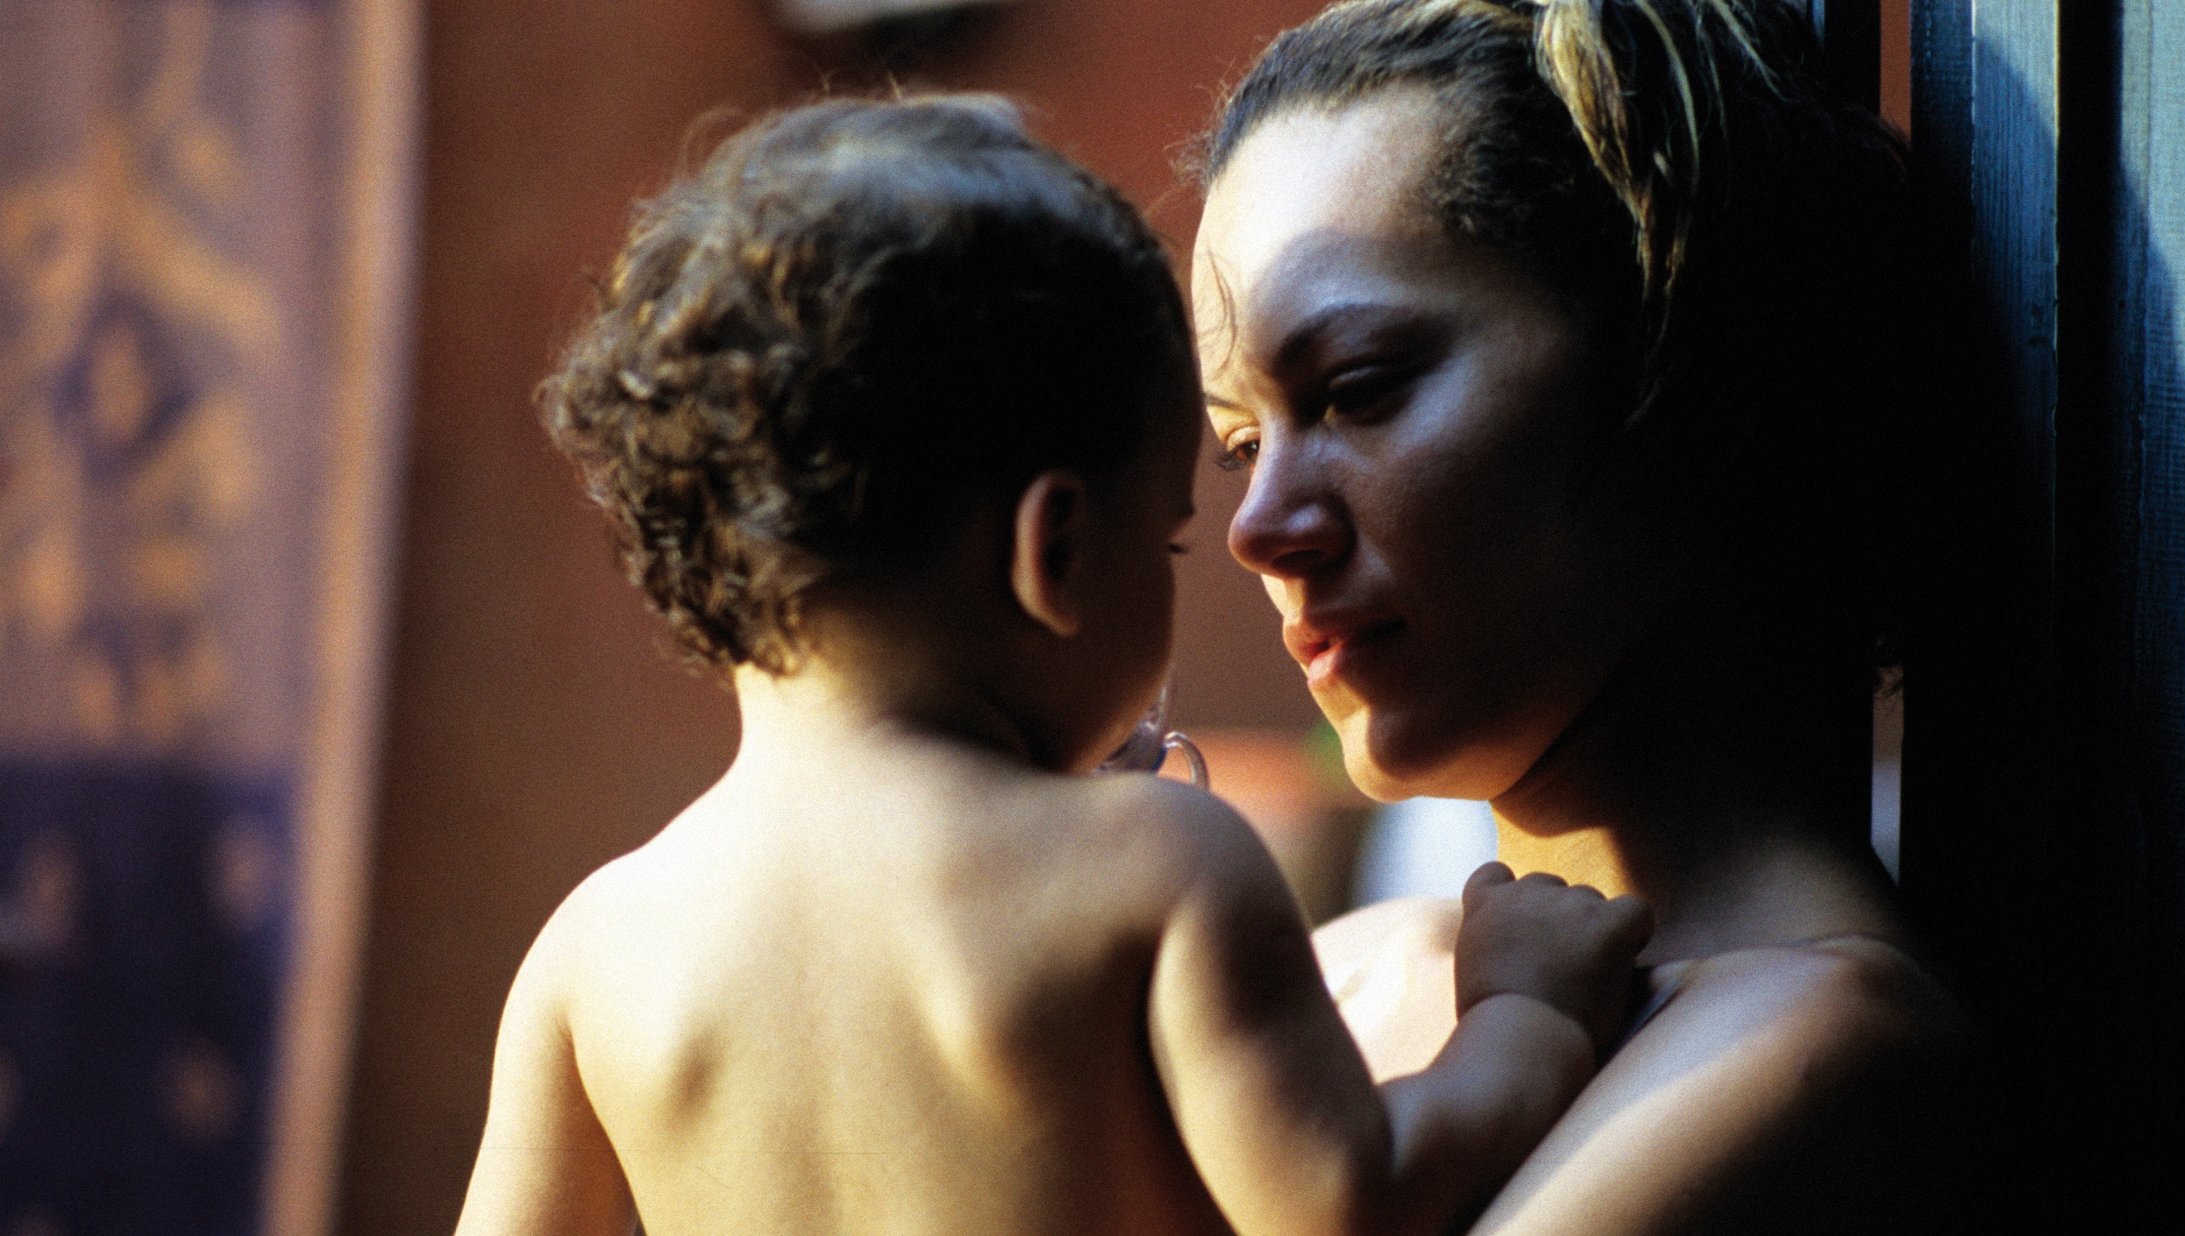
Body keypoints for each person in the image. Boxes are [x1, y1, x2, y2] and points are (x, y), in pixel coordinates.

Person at [454, 95, 1655, 1236]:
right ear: (1057, 550)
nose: (1221, 550)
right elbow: (1353, 1202)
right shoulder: (1154, 868)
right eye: (1172, 534)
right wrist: (1524, 1012)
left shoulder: (590, 952)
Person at [1191, 0, 1980, 1228]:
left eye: (1357, 389)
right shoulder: (1337, 974)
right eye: (1239, 443)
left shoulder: (1819, 1047)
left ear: (1667, 349)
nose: (1258, 525)